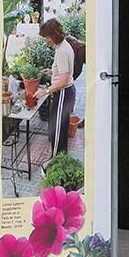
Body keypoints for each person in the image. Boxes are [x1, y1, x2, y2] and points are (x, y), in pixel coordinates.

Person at [30, 18, 77, 161]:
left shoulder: (62, 50)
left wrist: (46, 90)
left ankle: (55, 161)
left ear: (53, 35)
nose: (46, 41)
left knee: (57, 130)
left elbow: (63, 80)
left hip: (63, 92)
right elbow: (65, 72)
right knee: (60, 129)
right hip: (67, 92)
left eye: (47, 38)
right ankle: (60, 158)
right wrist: (52, 71)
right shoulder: (63, 46)